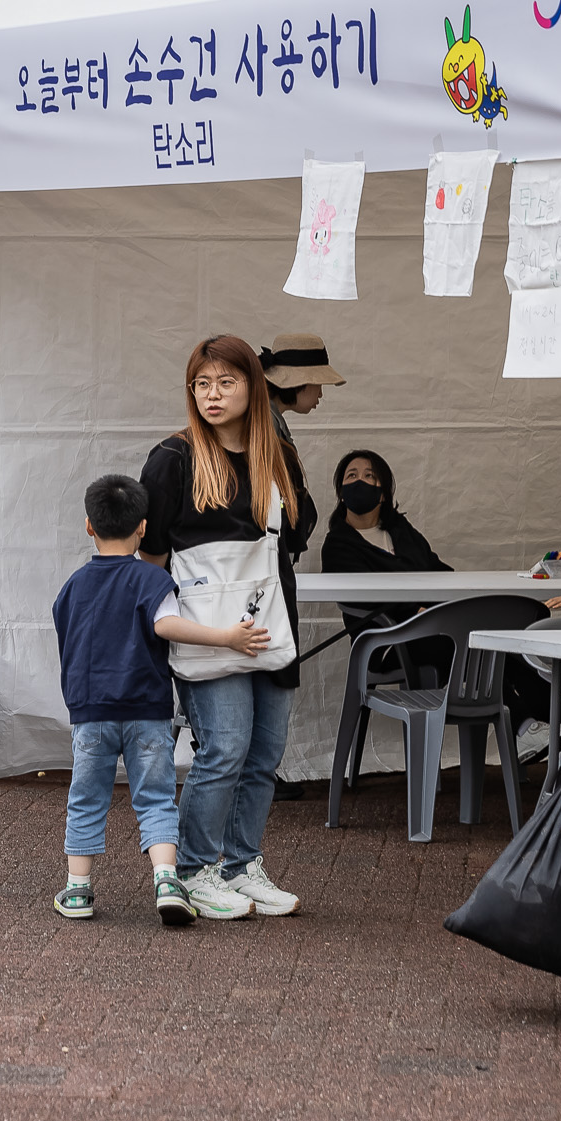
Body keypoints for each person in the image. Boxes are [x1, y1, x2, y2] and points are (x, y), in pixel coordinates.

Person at [139, 334, 314, 921]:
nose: (212, 395)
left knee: (264, 753)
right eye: (202, 384)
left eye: (227, 382)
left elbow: (299, 535)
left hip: (271, 619)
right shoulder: (174, 457)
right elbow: (151, 559)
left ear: (253, 388)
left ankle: (242, 864)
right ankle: (194, 869)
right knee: (225, 748)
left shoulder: (276, 455)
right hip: (207, 629)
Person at [52, 473, 271, 927]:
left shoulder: (73, 586)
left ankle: (78, 891)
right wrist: (226, 638)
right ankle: (168, 880)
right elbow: (167, 626)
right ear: (144, 528)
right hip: (147, 712)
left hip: (91, 713)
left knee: (87, 797)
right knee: (154, 797)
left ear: (88, 527)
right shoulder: (151, 580)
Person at [320, 449, 452, 629]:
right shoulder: (337, 545)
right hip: (389, 640)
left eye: (369, 475)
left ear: (383, 494)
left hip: (435, 623)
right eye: (352, 475)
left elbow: (436, 569)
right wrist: (418, 612)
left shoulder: (400, 528)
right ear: (341, 493)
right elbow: (366, 596)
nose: (359, 481)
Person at [259, 332, 344, 440]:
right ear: (300, 383)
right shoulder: (267, 423)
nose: (320, 394)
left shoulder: (269, 417)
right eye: (318, 384)